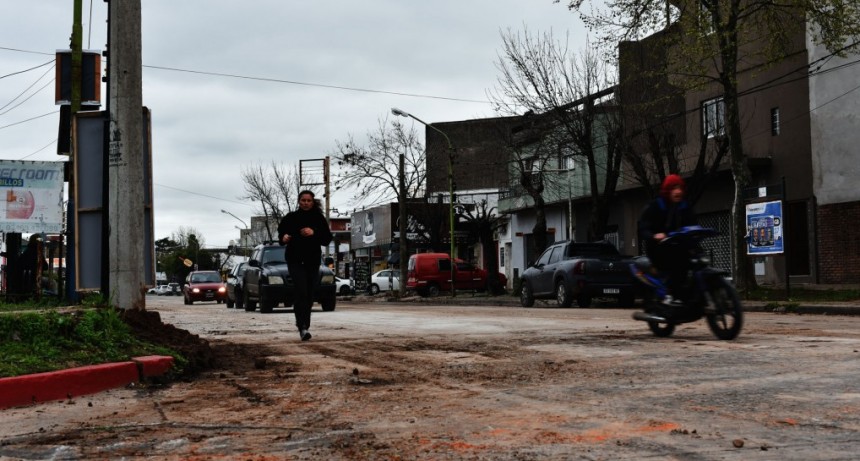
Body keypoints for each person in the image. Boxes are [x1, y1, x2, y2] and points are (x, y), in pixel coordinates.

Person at [278, 190, 333, 341]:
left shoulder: (318, 219)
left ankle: (304, 325)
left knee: (308, 294)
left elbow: (327, 239)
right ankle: (302, 327)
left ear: (313, 202)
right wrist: (284, 237)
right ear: (299, 201)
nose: (306, 203)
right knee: (301, 290)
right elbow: (281, 234)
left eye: (309, 200)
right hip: (295, 260)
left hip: (312, 261)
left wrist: (313, 232)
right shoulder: (291, 218)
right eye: (303, 200)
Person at [637, 174, 697, 307]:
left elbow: (693, 224)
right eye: (674, 188)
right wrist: (654, 236)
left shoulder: (685, 207)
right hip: (659, 249)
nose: (678, 191)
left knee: (696, 260)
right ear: (667, 190)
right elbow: (644, 228)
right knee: (677, 264)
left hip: (680, 246)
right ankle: (671, 294)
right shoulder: (656, 206)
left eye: (680, 188)